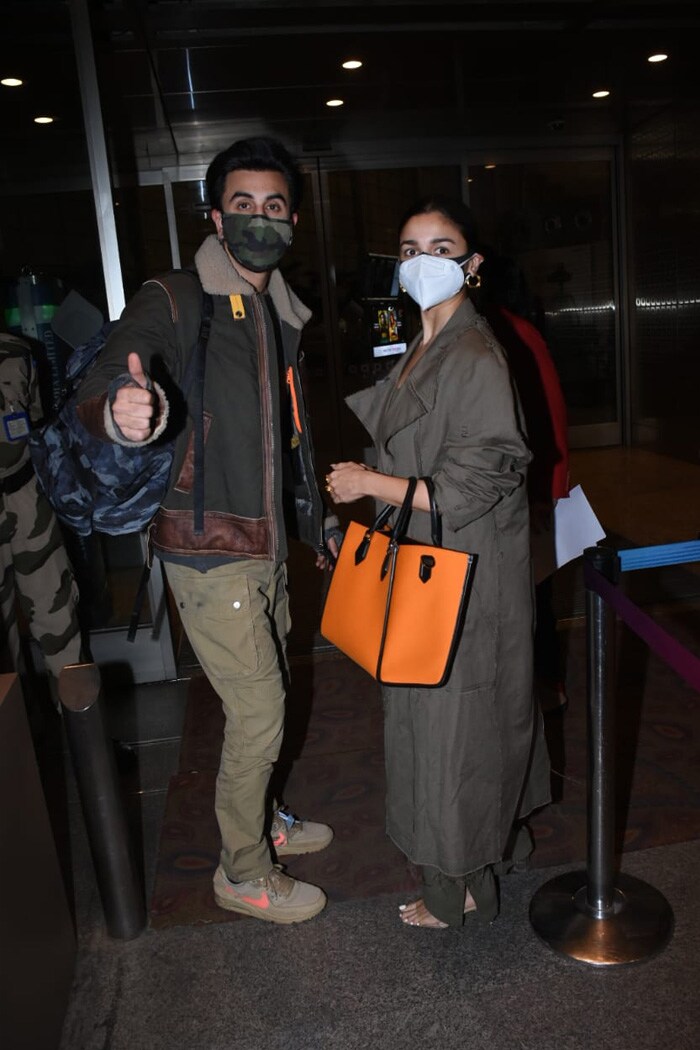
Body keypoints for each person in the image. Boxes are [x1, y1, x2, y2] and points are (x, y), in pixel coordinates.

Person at [75, 137, 339, 925]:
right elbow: (109, 374)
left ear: (294, 218)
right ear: (215, 215)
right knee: (260, 712)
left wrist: (312, 521)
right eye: (243, 204)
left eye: (276, 205)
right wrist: (123, 414)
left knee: (271, 691)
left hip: (264, 544)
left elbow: (287, 434)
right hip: (206, 547)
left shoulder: (278, 311)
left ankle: (264, 817)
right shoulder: (178, 294)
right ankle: (242, 868)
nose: (261, 219)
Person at [326, 196, 550, 929]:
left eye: (443, 248)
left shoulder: (475, 354)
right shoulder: (427, 341)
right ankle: (482, 866)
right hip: (436, 568)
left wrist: (368, 486)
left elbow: (478, 478)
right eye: (411, 247)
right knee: (448, 726)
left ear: (472, 265)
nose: (425, 261)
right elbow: (418, 450)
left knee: (457, 735)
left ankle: (457, 895)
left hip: (463, 577)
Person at [477, 255, 570, 714]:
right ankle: (543, 684)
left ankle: (537, 686)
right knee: (535, 594)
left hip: (519, 492)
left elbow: (543, 418)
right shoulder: (516, 330)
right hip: (528, 488)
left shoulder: (497, 334)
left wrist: (544, 494)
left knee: (528, 597)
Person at [0, 329, 83, 701]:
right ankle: (17, 748)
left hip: (25, 496)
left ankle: (87, 738)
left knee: (59, 617)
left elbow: (33, 421)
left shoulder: (16, 349)